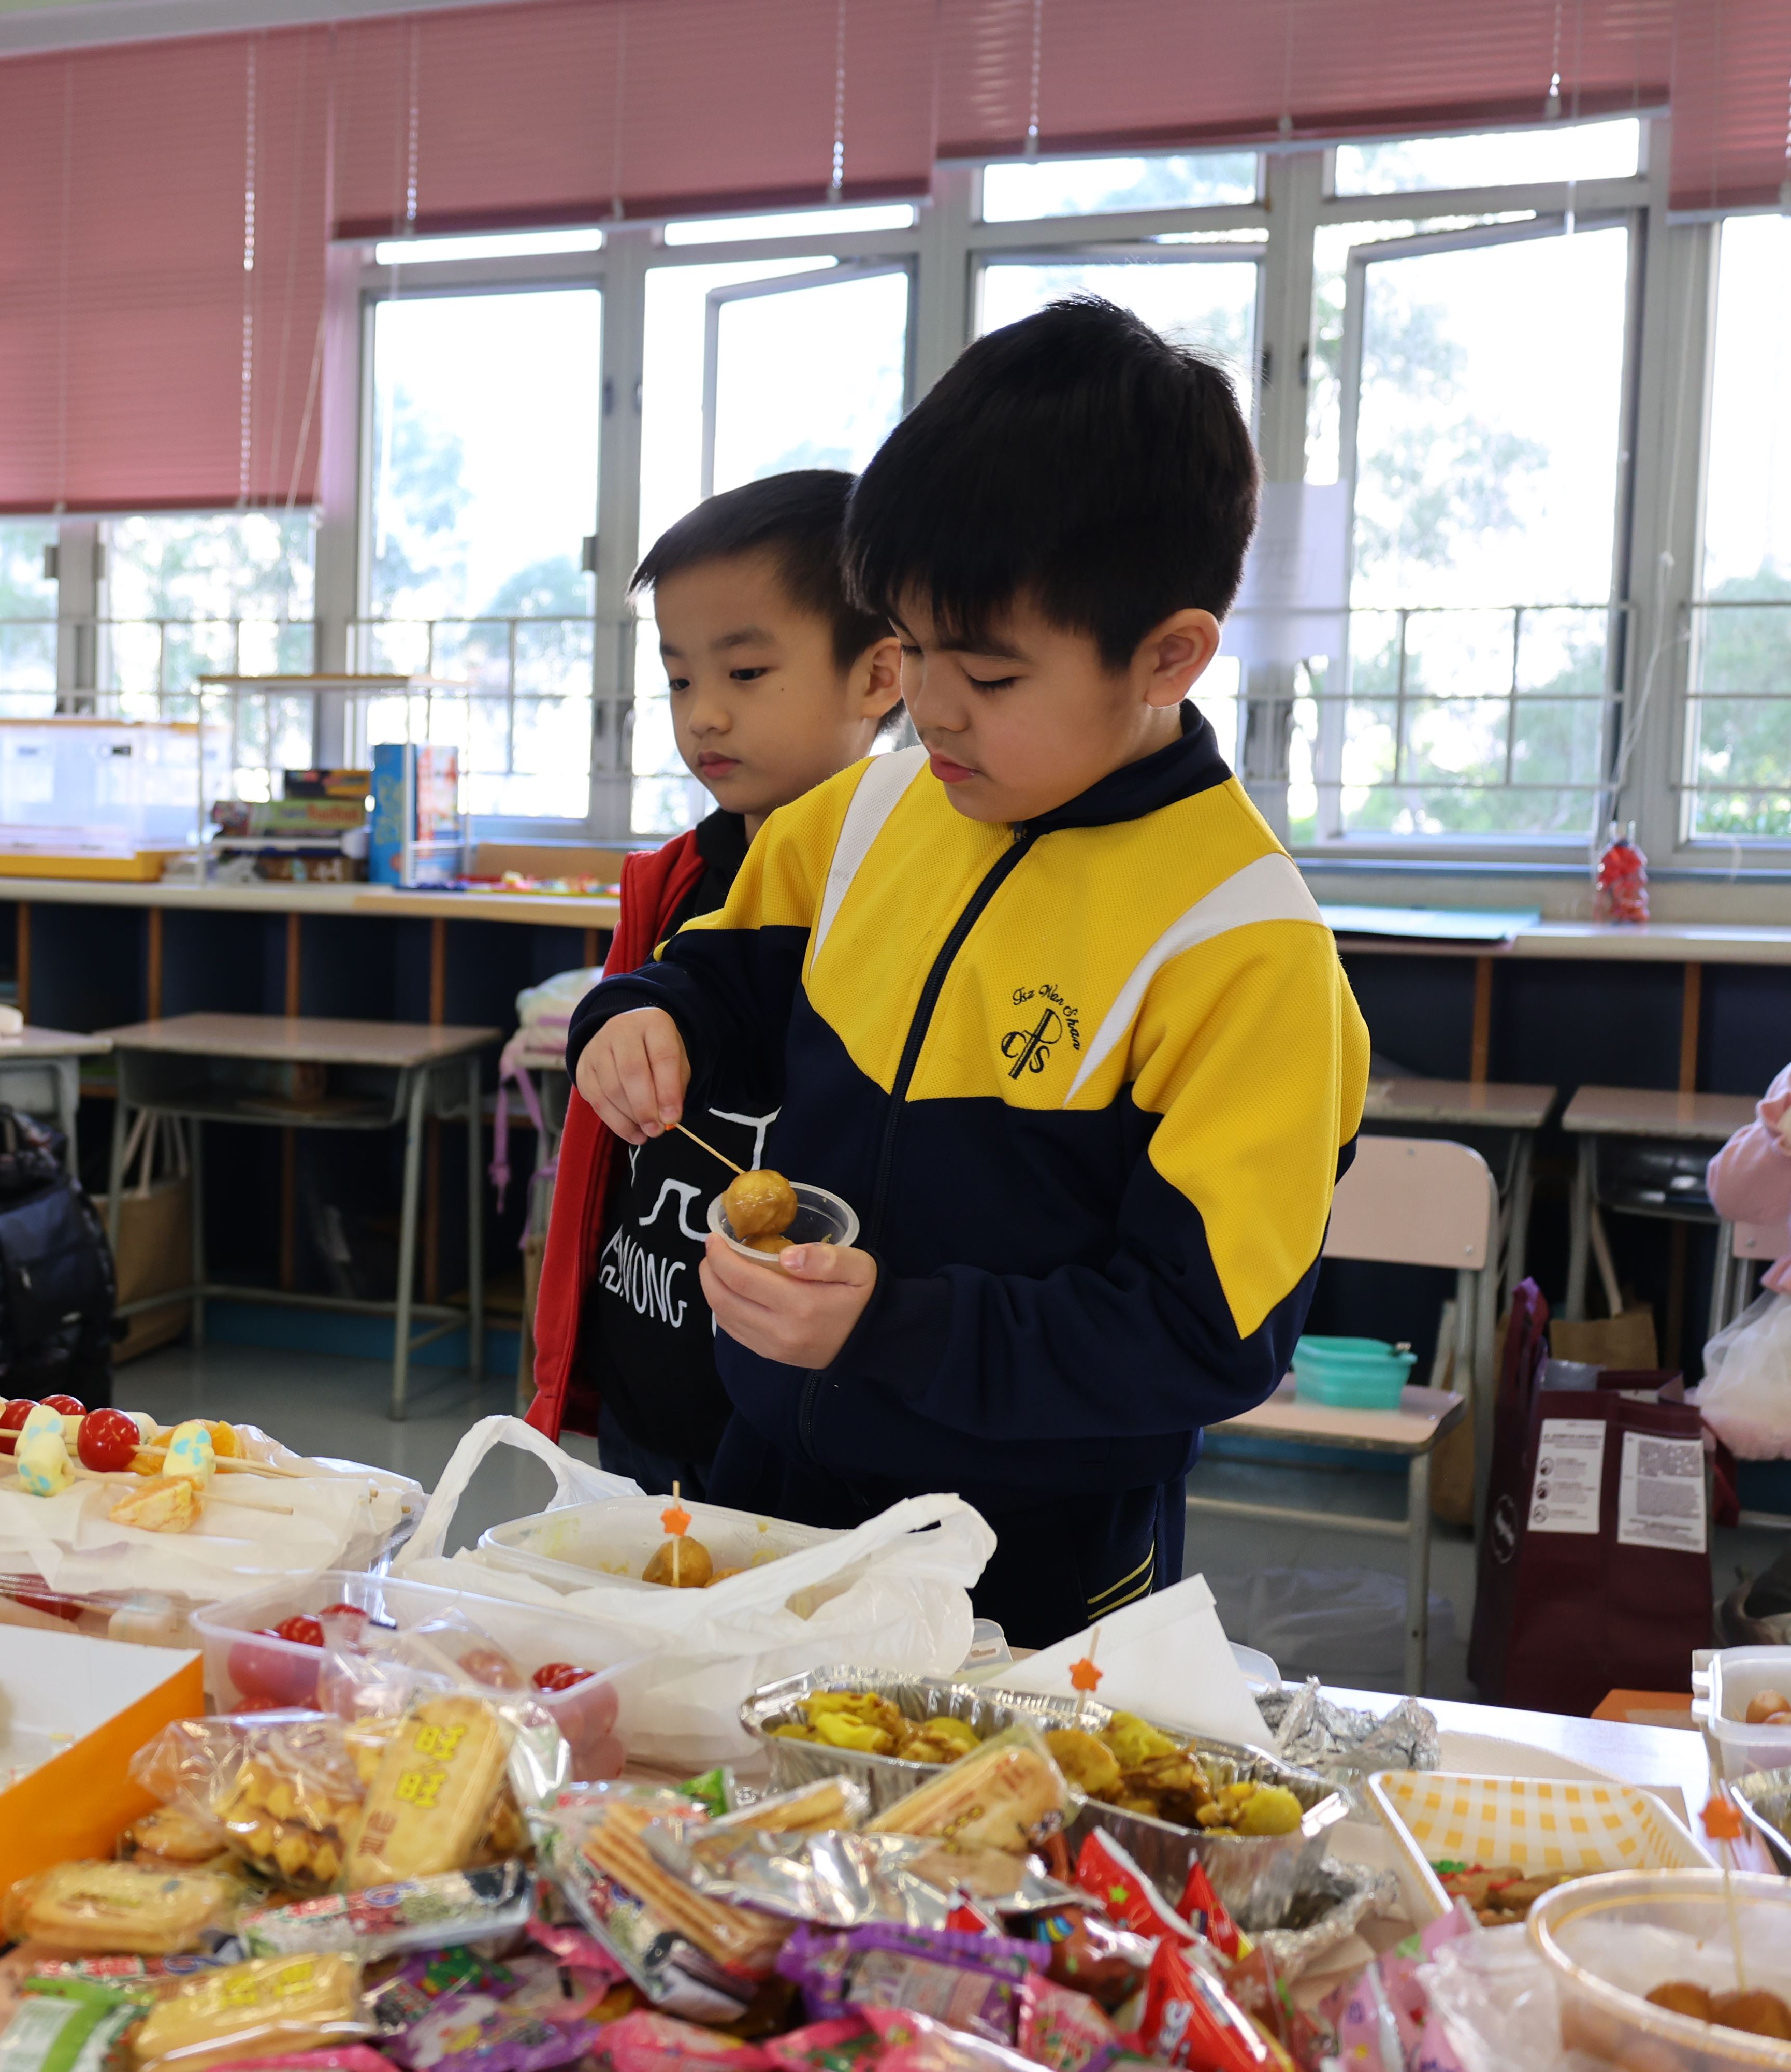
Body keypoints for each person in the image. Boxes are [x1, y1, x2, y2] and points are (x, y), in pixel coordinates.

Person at [569, 297, 1369, 1645]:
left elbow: (1203, 1332)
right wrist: (647, 1017)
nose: (931, 705)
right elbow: (725, 982)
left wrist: (893, 1327)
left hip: (1031, 1562)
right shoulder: (871, 814)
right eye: (916, 647)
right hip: (771, 1483)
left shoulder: (1244, 948)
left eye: (989, 674)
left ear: (1167, 654)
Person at [527, 472, 905, 1495]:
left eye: (745, 671)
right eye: (680, 680)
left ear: (880, 675)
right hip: (647, 1368)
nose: (706, 716)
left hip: (794, 1407)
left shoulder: (900, 891)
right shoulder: (678, 876)